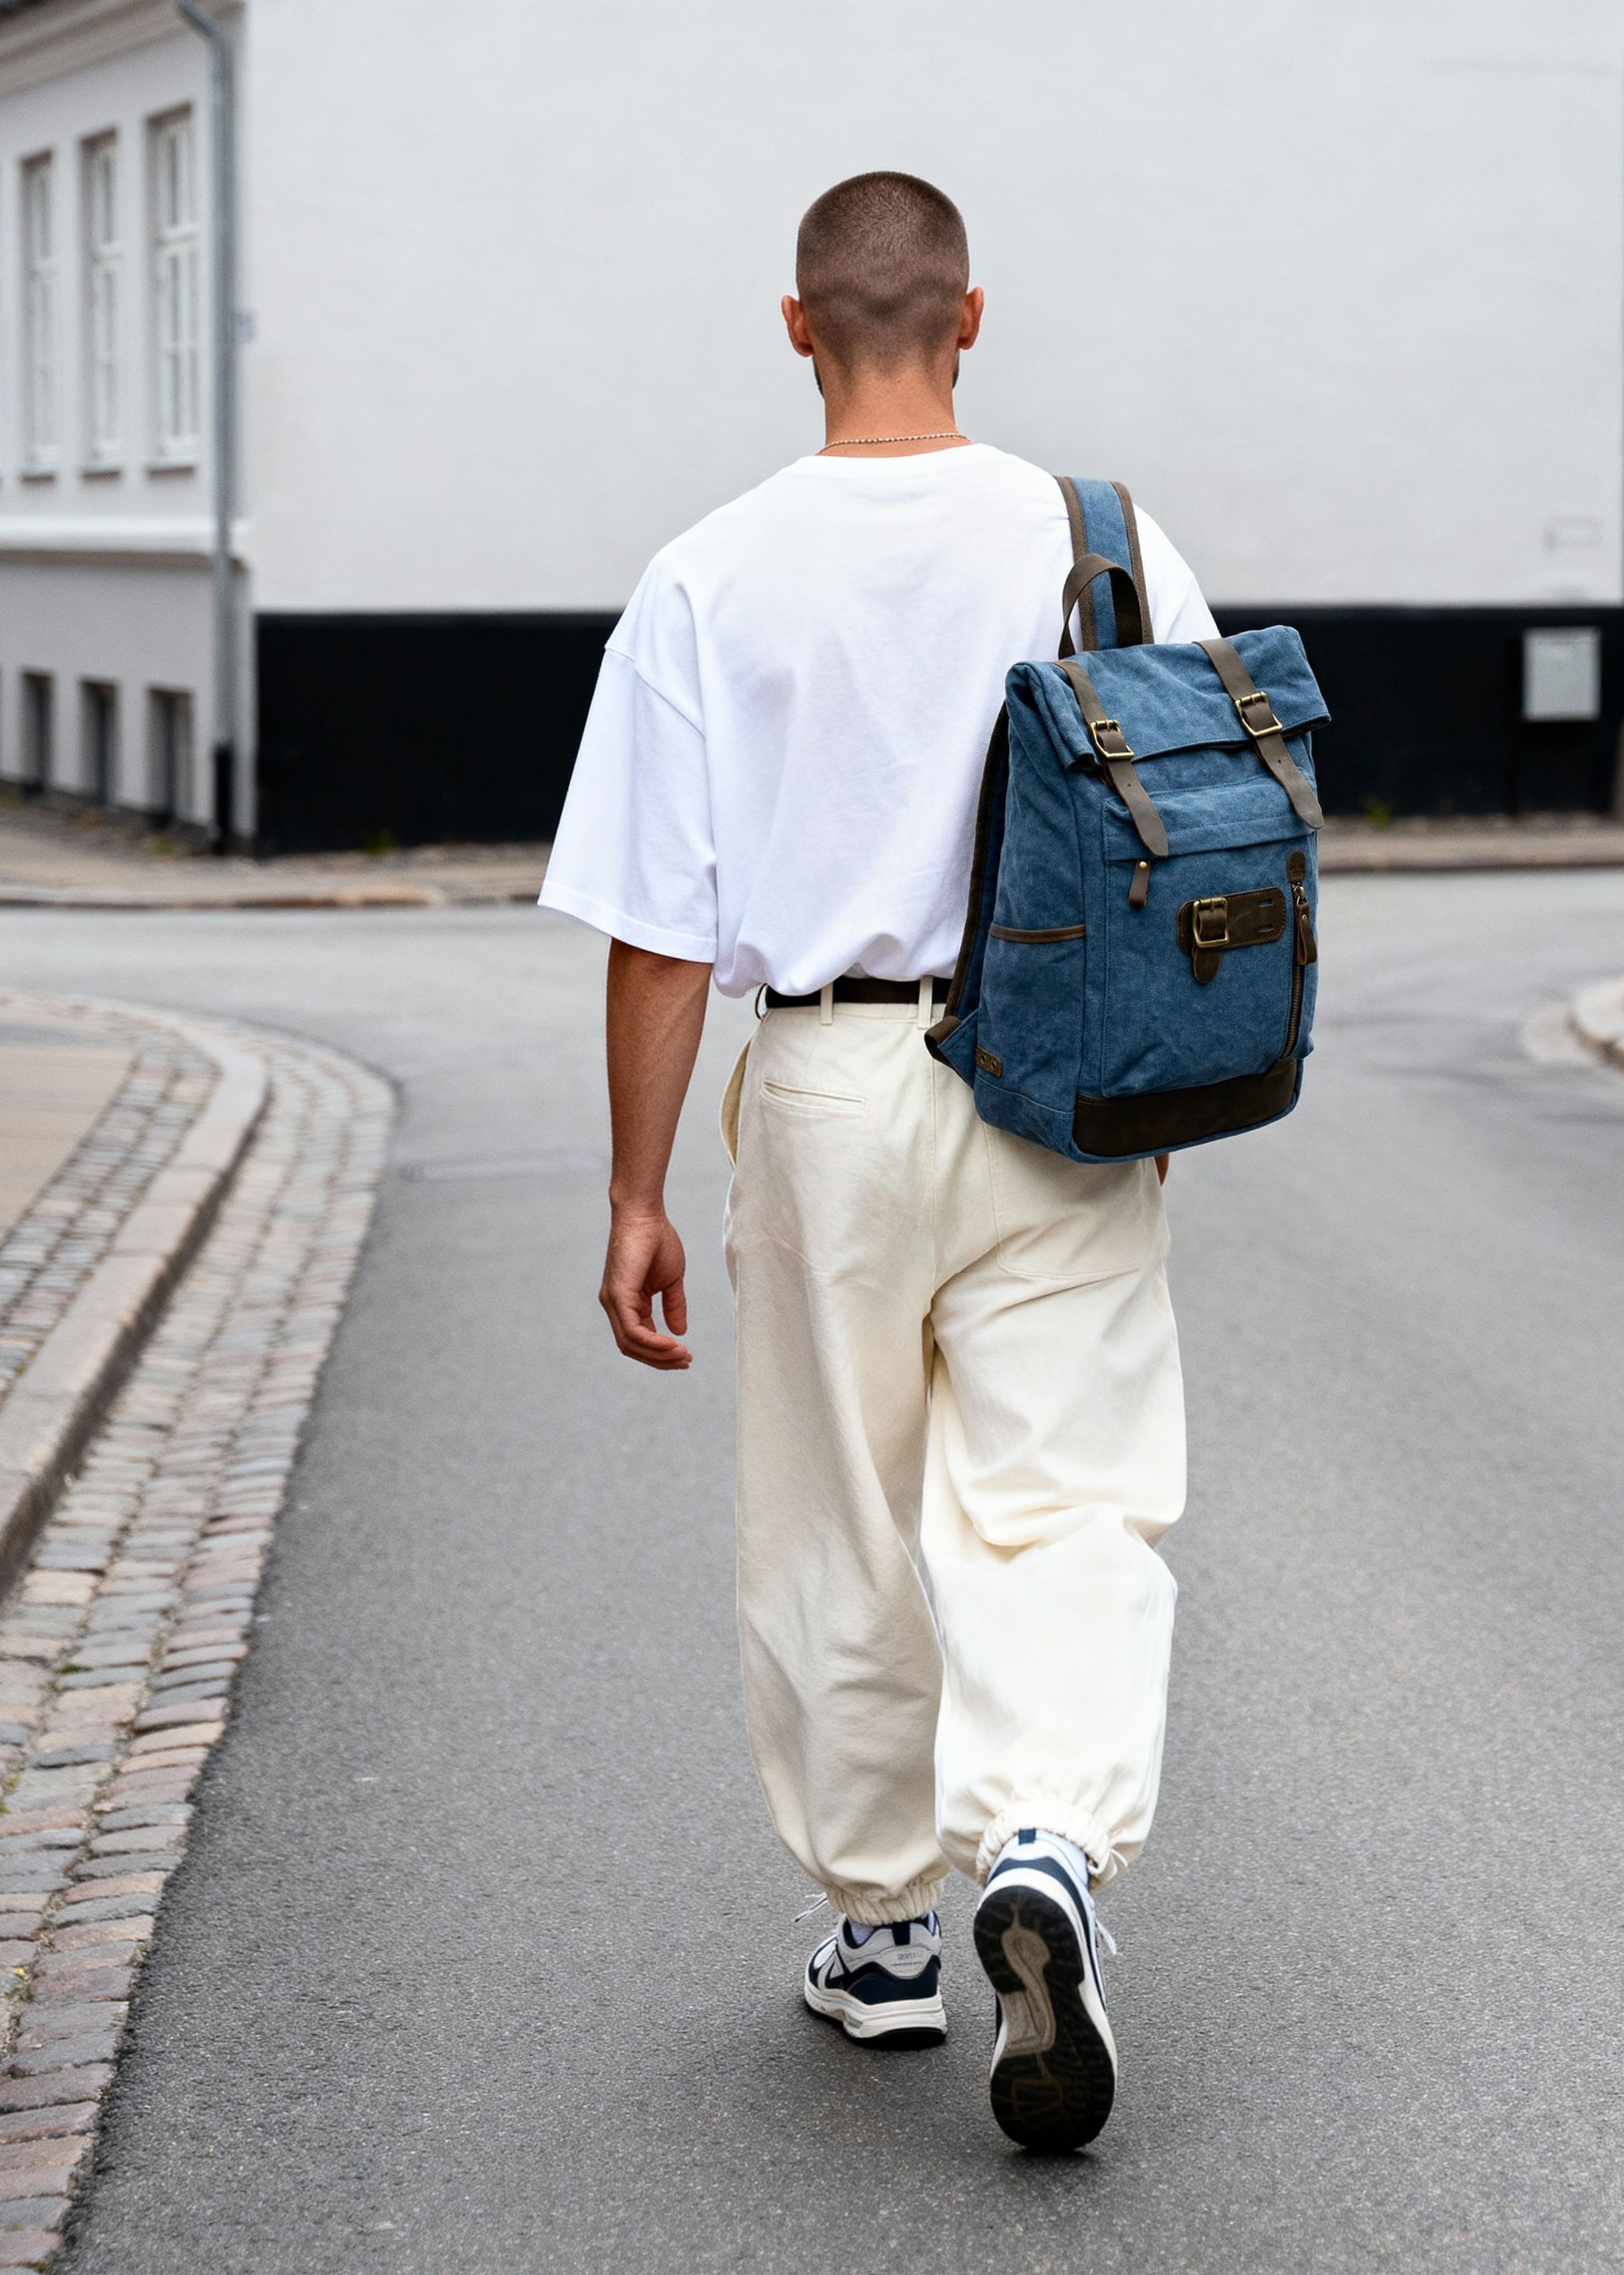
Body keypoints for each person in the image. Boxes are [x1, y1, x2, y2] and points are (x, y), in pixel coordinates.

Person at [539, 170, 1217, 2153]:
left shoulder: (709, 575)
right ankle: (1045, 1839)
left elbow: (664, 926)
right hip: (1066, 1076)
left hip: (831, 1083)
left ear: (796, 326)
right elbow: (1207, 813)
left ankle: (884, 1933)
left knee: (840, 1503)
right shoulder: (1108, 540)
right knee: (1068, 1498)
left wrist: (638, 1190)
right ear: (973, 318)